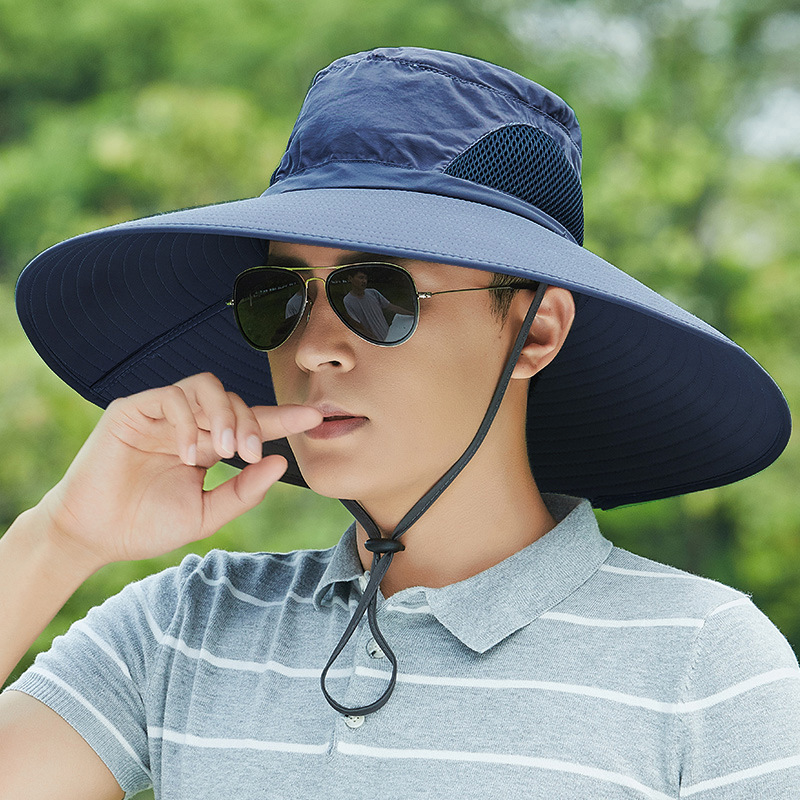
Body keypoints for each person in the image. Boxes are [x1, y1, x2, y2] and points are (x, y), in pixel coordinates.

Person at [1, 46, 798, 799]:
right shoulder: (186, 626)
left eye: (376, 294)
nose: (314, 347)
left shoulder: (703, 664)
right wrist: (60, 538)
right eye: (280, 296)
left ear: (536, 331)